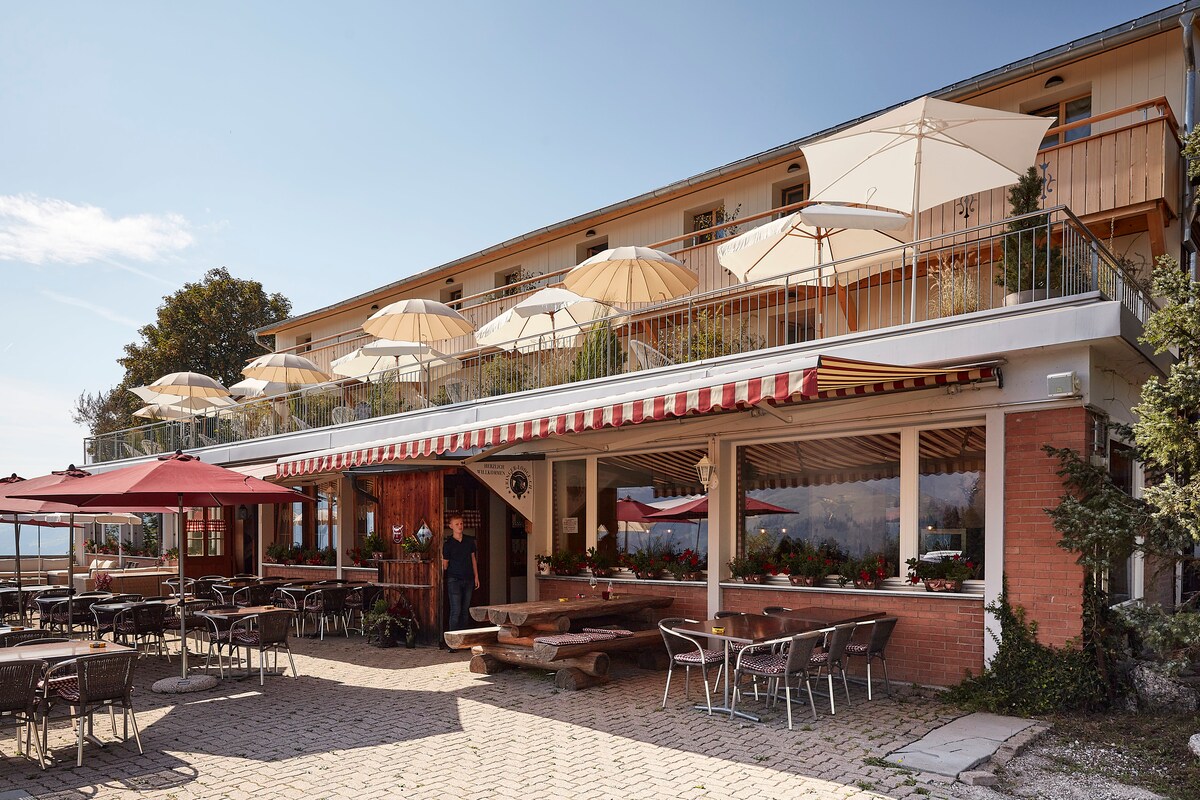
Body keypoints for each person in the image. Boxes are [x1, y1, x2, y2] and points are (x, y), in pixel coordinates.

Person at [442, 513, 479, 631]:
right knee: (455, 610)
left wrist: (476, 576)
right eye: (457, 524)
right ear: (451, 526)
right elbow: (445, 564)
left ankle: (464, 637)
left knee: (465, 610)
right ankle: (452, 638)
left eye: (461, 523)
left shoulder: (469, 541)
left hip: (468, 578)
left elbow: (473, 558)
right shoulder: (448, 544)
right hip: (454, 579)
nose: (460, 526)